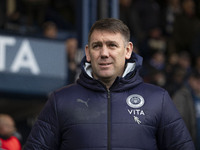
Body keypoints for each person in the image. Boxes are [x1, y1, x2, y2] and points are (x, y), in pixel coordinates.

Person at [24, 18, 195, 149]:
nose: (104, 53)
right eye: (97, 46)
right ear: (88, 52)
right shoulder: (60, 100)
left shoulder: (158, 99)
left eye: (112, 45)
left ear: (128, 50)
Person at [173, 71, 200, 149]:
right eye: (196, 79)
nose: (198, 81)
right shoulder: (181, 96)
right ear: (189, 80)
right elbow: (177, 121)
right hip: (190, 143)